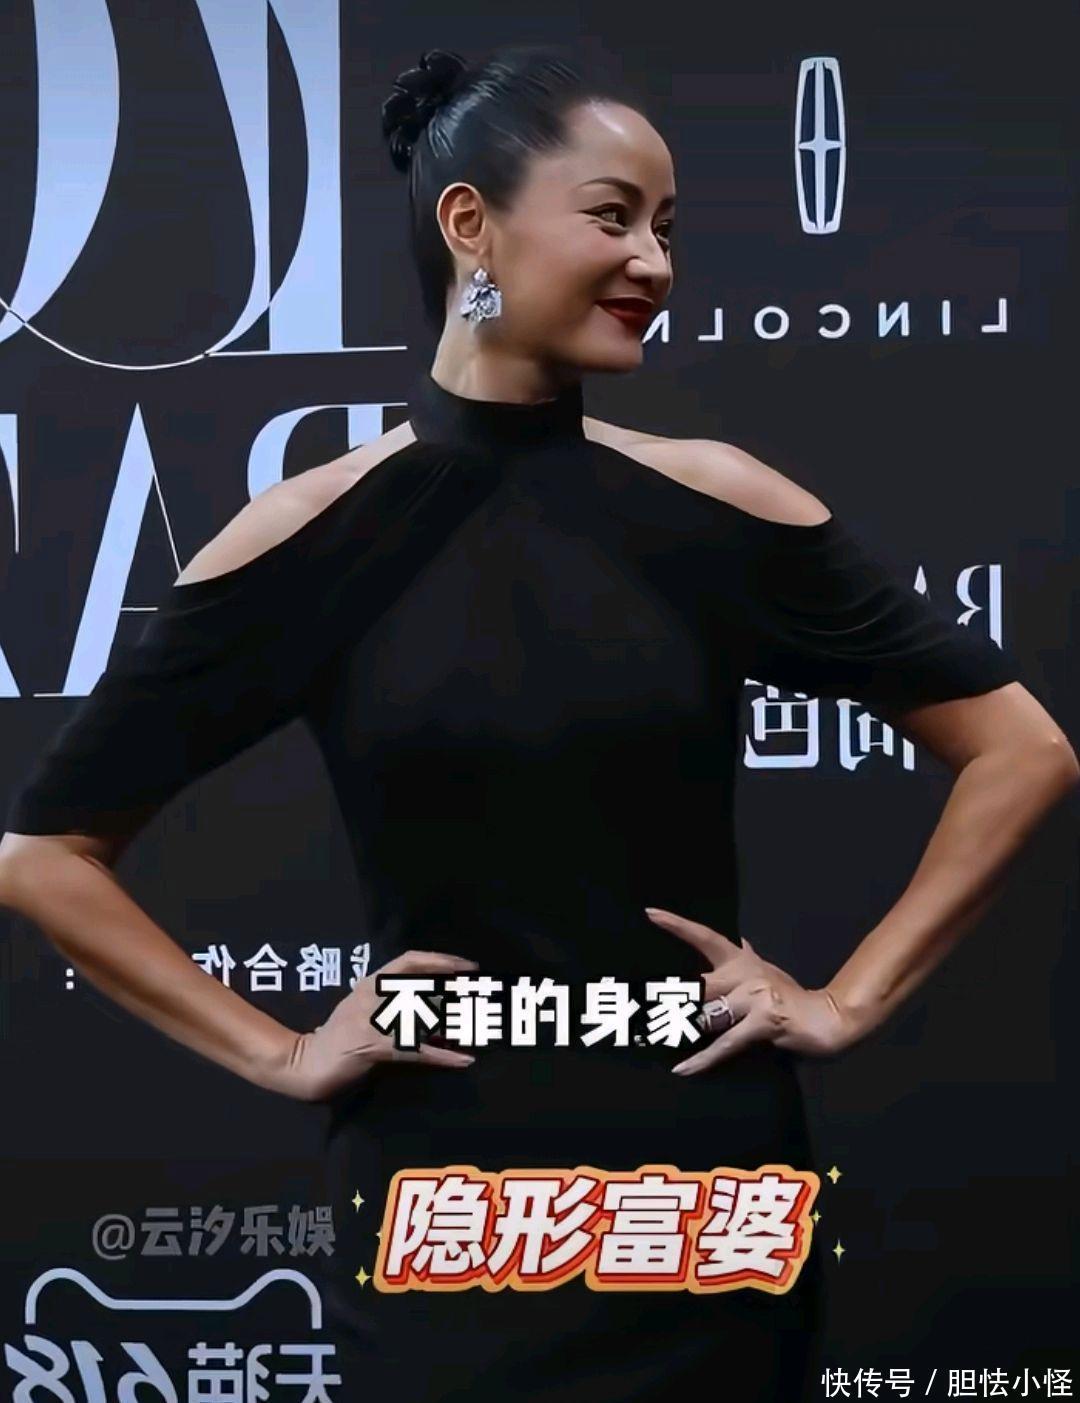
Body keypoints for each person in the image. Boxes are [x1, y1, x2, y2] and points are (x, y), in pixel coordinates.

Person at [0, 41, 1075, 1403]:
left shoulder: (714, 503)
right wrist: (283, 1051)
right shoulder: (314, 536)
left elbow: (1022, 749)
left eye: (667, 230)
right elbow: (45, 855)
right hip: (442, 1212)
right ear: (472, 224)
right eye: (613, 217)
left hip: (700, 1202)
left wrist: (848, 997)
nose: (654, 264)